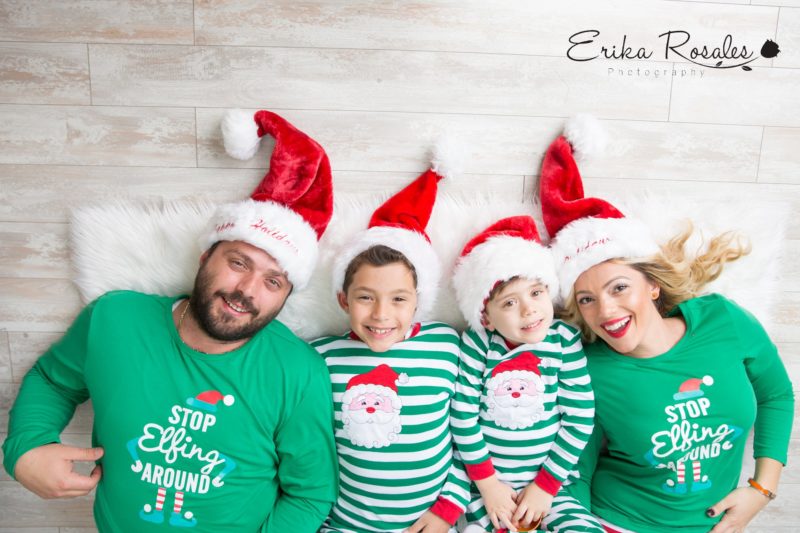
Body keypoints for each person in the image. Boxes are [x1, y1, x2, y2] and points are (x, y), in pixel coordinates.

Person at [2, 109, 339, 532]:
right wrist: (27, 448)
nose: (247, 290)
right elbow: (53, 380)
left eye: (273, 281)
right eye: (238, 263)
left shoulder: (298, 371)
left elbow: (310, 494)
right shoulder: (115, 318)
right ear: (205, 257)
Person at [538, 116, 795, 533]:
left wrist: (762, 490)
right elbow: (577, 469)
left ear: (653, 285)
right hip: (616, 522)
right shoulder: (587, 369)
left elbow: (776, 394)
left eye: (619, 287)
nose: (606, 311)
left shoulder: (722, 320)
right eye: (587, 299)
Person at [313, 154, 471, 533]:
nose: (381, 314)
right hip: (345, 525)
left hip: (433, 523)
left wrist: (448, 509)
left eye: (398, 299)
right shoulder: (321, 357)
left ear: (419, 301)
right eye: (366, 297)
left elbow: (468, 435)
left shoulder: (447, 347)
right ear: (343, 300)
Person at [449, 209, 603, 533]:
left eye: (536, 293)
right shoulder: (479, 344)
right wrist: (489, 485)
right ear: (486, 318)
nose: (529, 309)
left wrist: (545, 487)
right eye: (509, 303)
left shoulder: (563, 340)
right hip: (487, 489)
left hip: (550, 486)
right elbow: (463, 417)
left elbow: (579, 418)